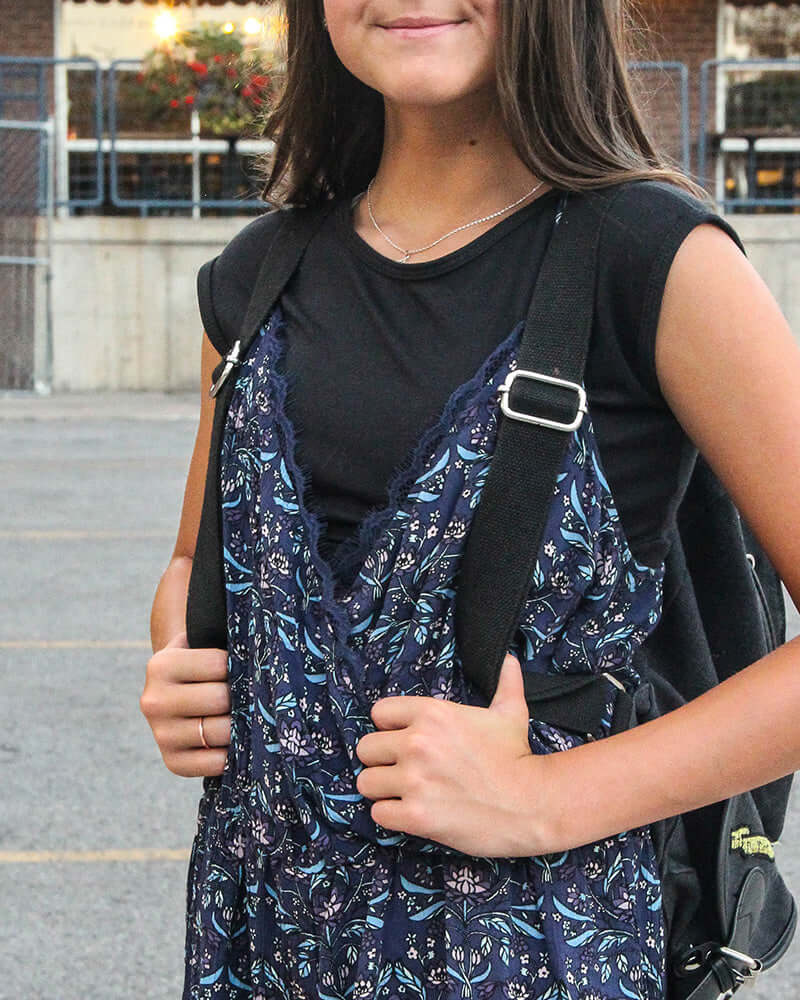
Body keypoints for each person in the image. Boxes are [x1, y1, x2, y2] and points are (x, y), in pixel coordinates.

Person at [142, 1, 800, 997]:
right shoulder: (256, 276)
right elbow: (202, 560)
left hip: (533, 955)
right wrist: (180, 658)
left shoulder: (650, 260)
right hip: (265, 941)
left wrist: (545, 798)